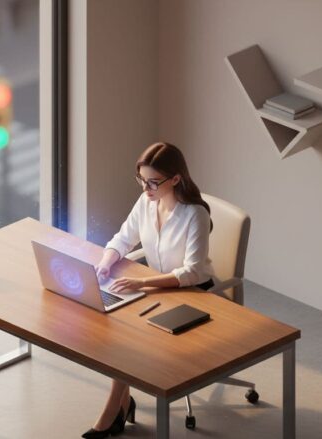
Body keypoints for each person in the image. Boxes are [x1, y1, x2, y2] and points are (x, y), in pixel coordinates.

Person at [82, 142, 216, 438]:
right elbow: (122, 238)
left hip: (194, 294)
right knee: (113, 324)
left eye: (153, 182)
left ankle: (112, 412)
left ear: (176, 179)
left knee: (130, 335)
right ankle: (121, 401)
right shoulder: (147, 202)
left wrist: (142, 283)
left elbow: (192, 272)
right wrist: (106, 263)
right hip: (159, 288)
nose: (146, 188)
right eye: (142, 180)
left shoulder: (195, 215)